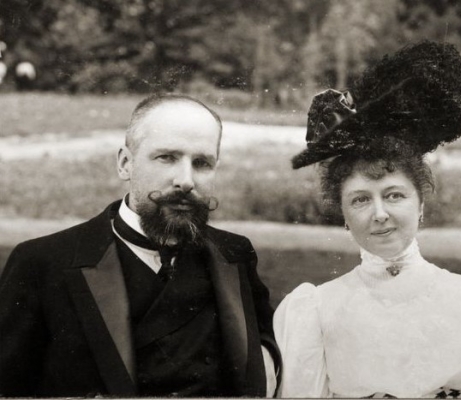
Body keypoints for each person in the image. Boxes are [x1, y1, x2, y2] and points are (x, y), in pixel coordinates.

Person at [274, 41, 461, 398]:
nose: (380, 213)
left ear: (420, 204)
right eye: (360, 200)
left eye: (394, 195)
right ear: (344, 215)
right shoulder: (315, 311)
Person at [0, 93, 280, 397]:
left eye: (202, 163)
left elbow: (264, 350)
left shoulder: (235, 254)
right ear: (125, 163)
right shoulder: (43, 262)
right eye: (166, 157)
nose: (186, 180)